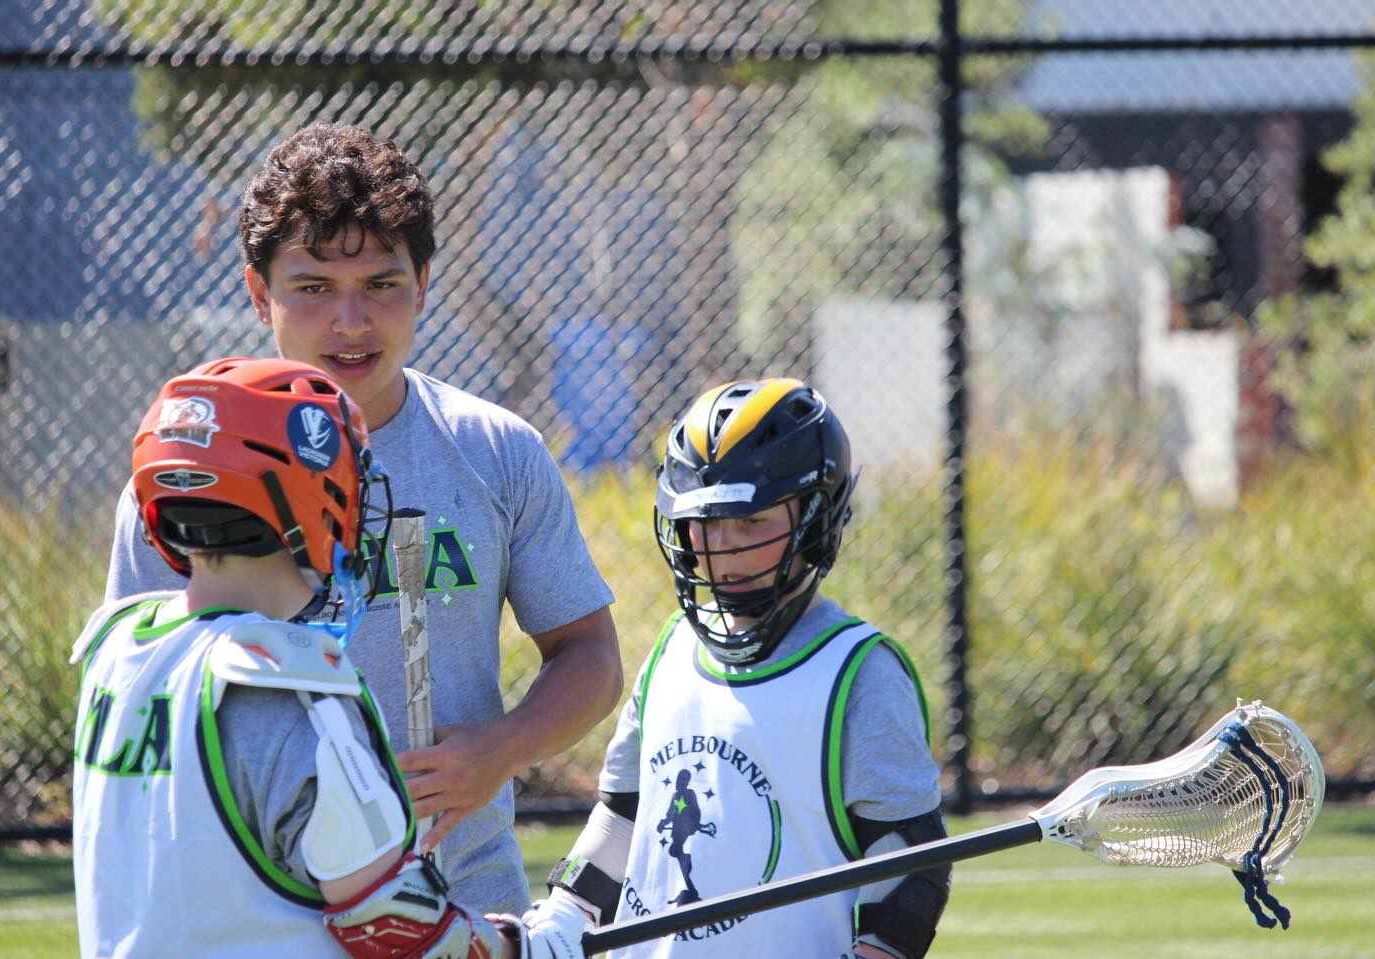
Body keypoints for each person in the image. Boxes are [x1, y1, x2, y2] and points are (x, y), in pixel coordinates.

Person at [104, 123, 624, 916]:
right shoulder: (184, 476)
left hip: (466, 905)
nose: (352, 321)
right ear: (257, 292)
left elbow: (590, 656)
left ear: (424, 282)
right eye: (312, 287)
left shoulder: (494, 449)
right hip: (265, 913)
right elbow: (137, 717)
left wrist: (502, 748)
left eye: (382, 283)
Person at [73, 357, 588, 959]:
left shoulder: (120, 651)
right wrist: (517, 945)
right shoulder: (293, 692)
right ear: (309, 501)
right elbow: (391, 923)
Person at [524, 378, 951, 958]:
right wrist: (562, 919)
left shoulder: (859, 674)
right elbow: (624, 818)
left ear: (816, 519)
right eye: (703, 522)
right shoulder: (672, 652)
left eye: (751, 523)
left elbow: (908, 873)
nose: (719, 548)